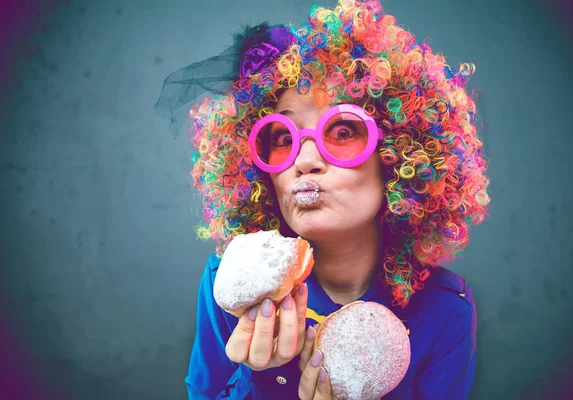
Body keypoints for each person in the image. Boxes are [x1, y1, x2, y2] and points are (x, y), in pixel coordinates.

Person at [155, 0, 490, 398]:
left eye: (343, 131)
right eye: (282, 138)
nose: (305, 160)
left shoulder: (445, 309)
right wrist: (261, 377)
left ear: (398, 157)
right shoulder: (230, 285)